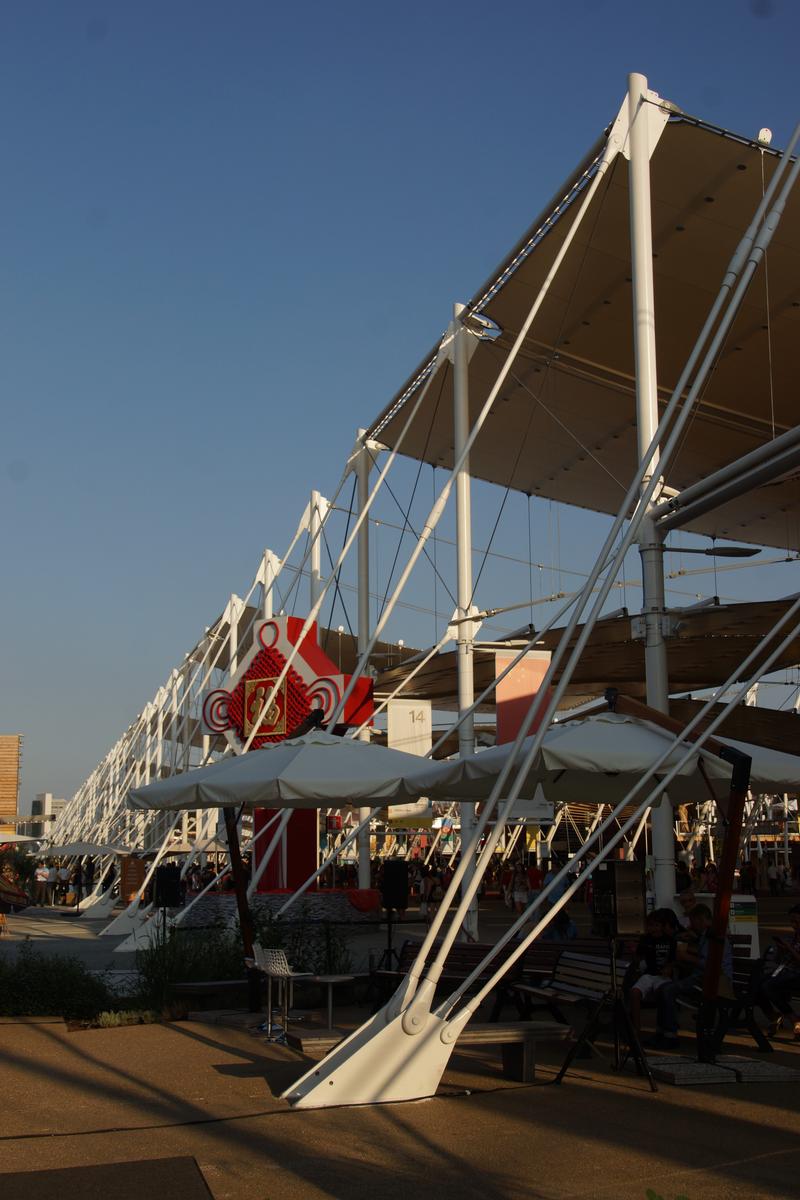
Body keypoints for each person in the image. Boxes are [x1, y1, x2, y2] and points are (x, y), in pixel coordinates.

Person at [652, 903, 733, 1050]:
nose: (691, 925)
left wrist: (686, 957)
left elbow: (712, 965)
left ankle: (669, 1035)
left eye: (693, 921)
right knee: (663, 988)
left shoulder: (712, 936)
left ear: (701, 920)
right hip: (703, 978)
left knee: (667, 990)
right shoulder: (705, 935)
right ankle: (663, 1031)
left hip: (712, 982)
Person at [627, 909, 677, 1032]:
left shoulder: (670, 940)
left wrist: (669, 967)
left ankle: (663, 1029)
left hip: (663, 976)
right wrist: (635, 953)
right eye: (650, 925)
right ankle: (636, 1028)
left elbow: (673, 960)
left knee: (664, 992)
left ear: (662, 926)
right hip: (649, 974)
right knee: (634, 992)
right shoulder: (646, 939)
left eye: (656, 925)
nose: (653, 929)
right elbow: (638, 957)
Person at [755, 904, 800, 1036]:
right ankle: (775, 1016)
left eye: (797, 922)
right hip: (786, 973)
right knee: (757, 986)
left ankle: (793, 1018)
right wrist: (781, 950)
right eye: (792, 921)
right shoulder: (792, 938)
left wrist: (789, 949)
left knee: (768, 985)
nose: (794, 925)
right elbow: (779, 961)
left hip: (796, 976)